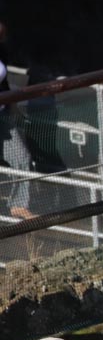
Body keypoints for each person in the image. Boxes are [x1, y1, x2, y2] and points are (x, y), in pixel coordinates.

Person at [0, 22, 34, 220]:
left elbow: (5, 83)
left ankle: (18, 205)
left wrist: (12, 106)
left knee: (21, 157)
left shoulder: (2, 52)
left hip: (3, 116)